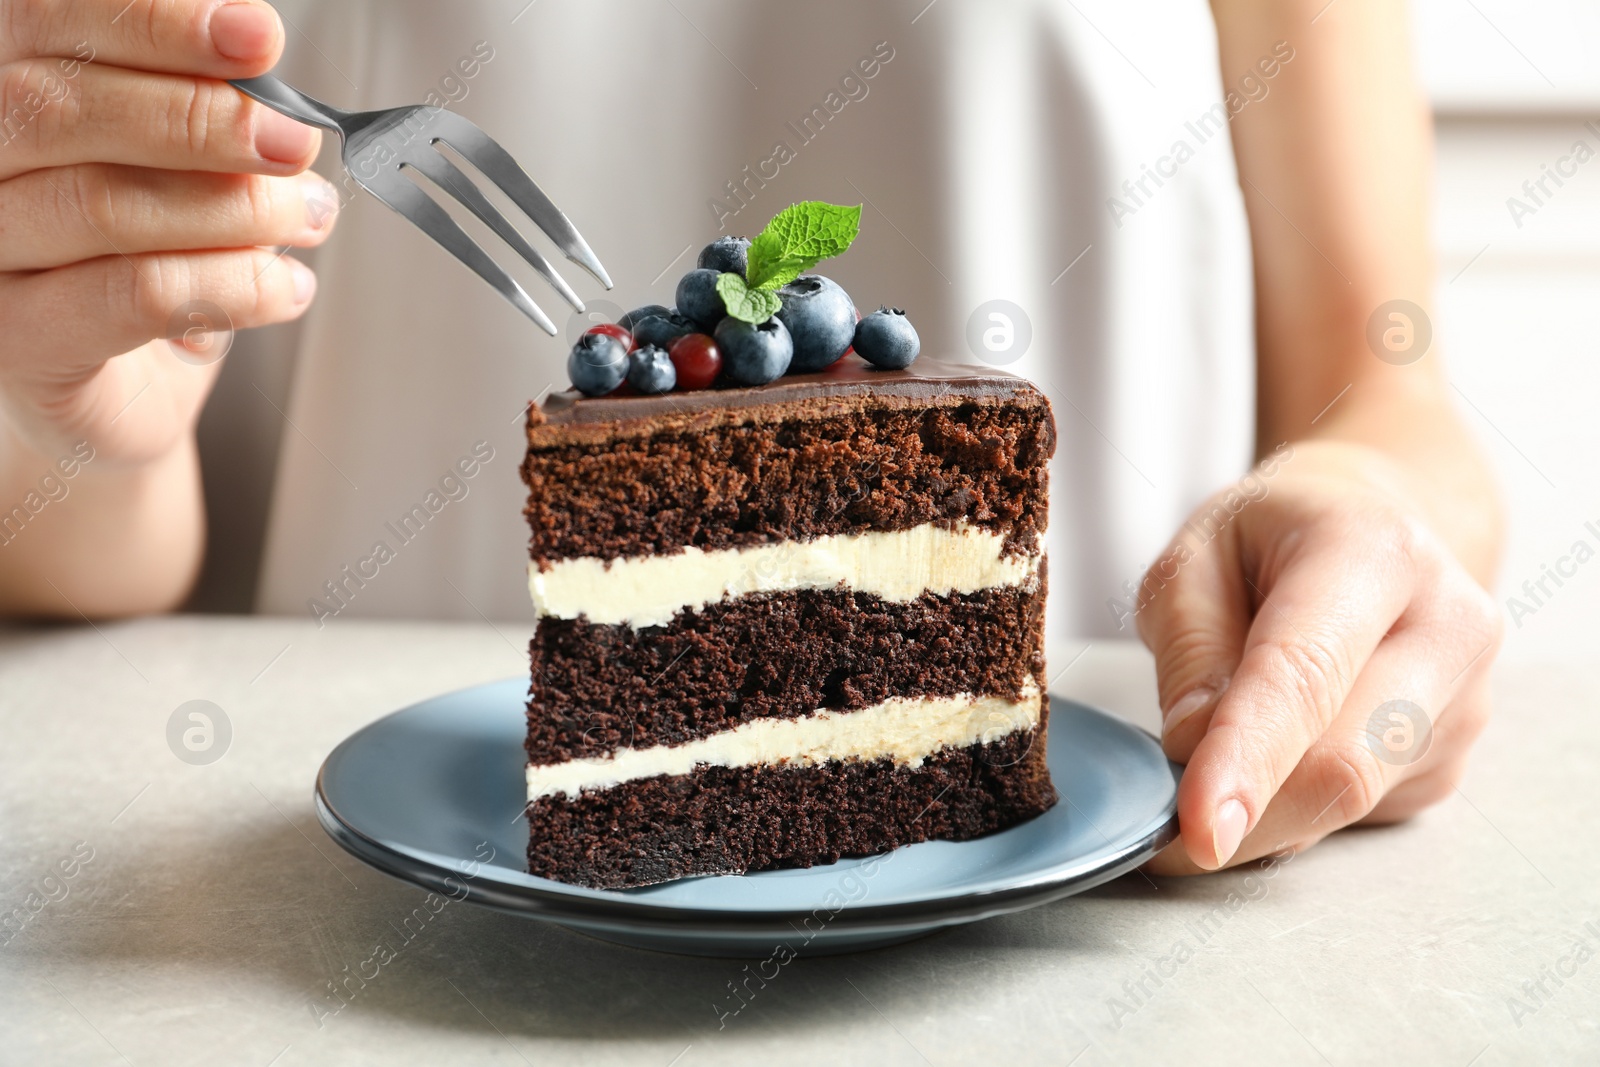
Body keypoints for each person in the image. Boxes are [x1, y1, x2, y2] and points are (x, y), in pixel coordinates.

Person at [0, 0, 1502, 874]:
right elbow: (99, 534)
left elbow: (1381, 386)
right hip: (344, 931)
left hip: (1093, 938)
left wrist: (1362, 503)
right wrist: (59, 413)